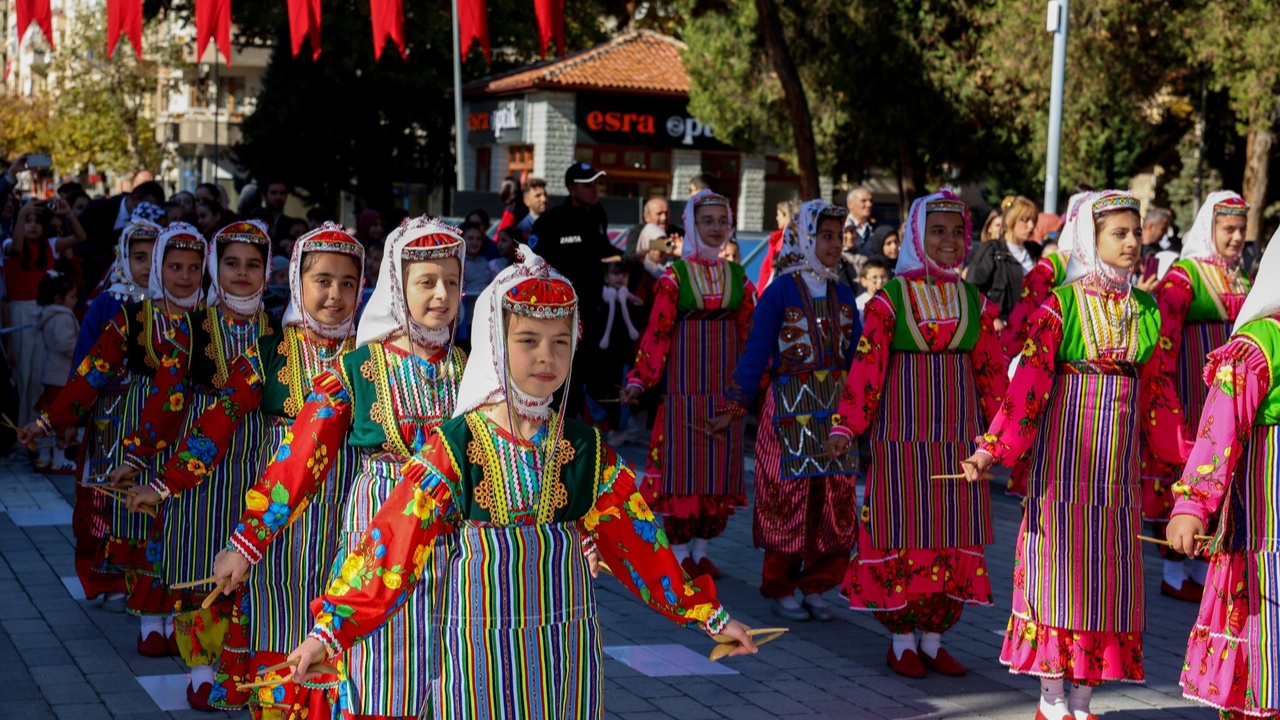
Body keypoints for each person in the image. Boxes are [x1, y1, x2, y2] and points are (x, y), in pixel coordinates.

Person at [285, 246, 758, 718]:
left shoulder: (585, 448)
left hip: (563, 652)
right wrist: (328, 633)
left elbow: (641, 545)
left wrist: (709, 617)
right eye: (528, 340)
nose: (546, 357)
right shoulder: (455, 444)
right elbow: (391, 543)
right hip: (475, 655)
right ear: (494, 342)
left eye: (560, 340)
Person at [208, 217, 467, 720]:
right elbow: (300, 457)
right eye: (426, 282)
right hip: (372, 538)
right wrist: (246, 542)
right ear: (397, 286)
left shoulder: (471, 370)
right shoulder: (357, 369)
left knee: (443, 664)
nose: (441, 295)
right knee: (376, 663)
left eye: (452, 282)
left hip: (451, 548)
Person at [960, 190, 1189, 720]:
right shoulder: (1059, 308)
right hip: (1061, 478)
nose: (1133, 243)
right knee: (1057, 582)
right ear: (1092, 238)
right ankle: (1051, 700)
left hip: (1117, 486)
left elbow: (1158, 399)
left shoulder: (1147, 312)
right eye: (1120, 234)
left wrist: (1192, 468)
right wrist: (991, 451)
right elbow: (1028, 392)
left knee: (1107, 586)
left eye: (1135, 233)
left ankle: (1083, 704)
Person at [123, 224, 363, 716]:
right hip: (278, 525)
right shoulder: (270, 352)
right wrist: (165, 484)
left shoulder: (370, 361)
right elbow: (220, 418)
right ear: (297, 281)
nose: (334, 295)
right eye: (322, 280)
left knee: (340, 625)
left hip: (349, 516)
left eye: (347, 282)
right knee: (277, 615)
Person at [825, 189, 1007, 679]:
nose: (949, 241)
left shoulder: (974, 302)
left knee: (950, 535)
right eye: (937, 231)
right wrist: (847, 425)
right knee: (904, 535)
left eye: (956, 232)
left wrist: (1004, 438)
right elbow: (867, 369)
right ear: (916, 236)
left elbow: (992, 376)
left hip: (959, 445)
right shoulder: (890, 301)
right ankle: (902, 642)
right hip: (901, 445)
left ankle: (933, 639)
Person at [19, 222, 208, 655]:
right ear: (158, 268)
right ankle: (150, 617)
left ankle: (181, 614)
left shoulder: (210, 322)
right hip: (136, 433)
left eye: (193, 268)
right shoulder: (132, 319)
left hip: (190, 435)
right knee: (141, 522)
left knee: (184, 523)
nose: (182, 276)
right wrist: (48, 422)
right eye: (173, 265)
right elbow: (91, 375)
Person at [114, 220, 274, 710]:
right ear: (215, 267)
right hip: (197, 457)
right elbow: (165, 398)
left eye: (253, 265)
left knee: (251, 564)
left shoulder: (280, 331)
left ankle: (236, 665)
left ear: (268, 270)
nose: (242, 274)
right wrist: (138, 455)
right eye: (231, 263)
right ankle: (202, 668)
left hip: (262, 457)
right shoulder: (190, 329)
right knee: (194, 558)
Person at [710, 200, 861, 621]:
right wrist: (733, 406)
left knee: (834, 499)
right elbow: (756, 353)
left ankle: (817, 586)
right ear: (805, 238)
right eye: (826, 236)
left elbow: (860, 360)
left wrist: (863, 413)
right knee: (788, 498)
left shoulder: (843, 294)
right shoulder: (779, 292)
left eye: (838, 236)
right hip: (788, 410)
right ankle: (782, 587)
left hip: (832, 412)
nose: (835, 245)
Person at [1165, 226, 1280, 720]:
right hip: (1266, 532)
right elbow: (1219, 430)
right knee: (1262, 654)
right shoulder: (1261, 344)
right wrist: (1192, 506)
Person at [620, 189, 756, 578]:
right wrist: (639, 380)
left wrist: (753, 384)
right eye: (707, 221)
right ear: (692, 226)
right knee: (684, 472)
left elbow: (750, 333)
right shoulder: (674, 279)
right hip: (683, 397)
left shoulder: (738, 277)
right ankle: (679, 556)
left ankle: (701, 551)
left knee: (718, 471)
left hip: (725, 394)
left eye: (722, 221)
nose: (716, 228)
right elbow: (657, 334)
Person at [1141, 190, 1252, 602]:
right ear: (1210, 228)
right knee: (1187, 479)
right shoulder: (1184, 277)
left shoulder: (1242, 277)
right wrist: (1170, 406)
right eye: (1228, 228)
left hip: (1230, 398)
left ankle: (1203, 572)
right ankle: (1173, 572)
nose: (1237, 236)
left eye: (1241, 228)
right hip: (1192, 395)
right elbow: (1163, 346)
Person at [530, 162, 619, 419]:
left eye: (596, 184)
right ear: (571, 189)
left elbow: (605, 251)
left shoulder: (598, 214)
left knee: (583, 379)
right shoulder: (551, 221)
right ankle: (546, 434)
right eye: (587, 185)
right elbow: (533, 266)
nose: (594, 190)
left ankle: (576, 439)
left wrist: (633, 257)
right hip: (558, 314)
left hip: (592, 313)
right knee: (556, 379)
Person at [6, 196, 86, 427]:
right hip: (20, 313)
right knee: (23, 374)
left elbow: (81, 237)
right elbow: (18, 246)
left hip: (46, 314)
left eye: (36, 220)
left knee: (41, 373)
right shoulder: (8, 246)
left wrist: (68, 213)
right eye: (27, 220)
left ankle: (38, 430)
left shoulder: (50, 245)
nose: (32, 225)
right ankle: (21, 429)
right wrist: (21, 213)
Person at [965, 195, 1039, 324]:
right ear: (1010, 220)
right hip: (1001, 332)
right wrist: (991, 318)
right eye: (1025, 220)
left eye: (1033, 220)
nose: (1031, 226)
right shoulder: (992, 250)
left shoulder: (1036, 251)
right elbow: (971, 291)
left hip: (1031, 330)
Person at [34, 271, 80, 472]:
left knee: (48, 418)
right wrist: (80, 348)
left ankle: (43, 457)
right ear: (58, 299)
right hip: (60, 375)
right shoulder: (63, 317)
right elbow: (65, 343)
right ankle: (59, 458)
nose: (76, 300)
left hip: (50, 374)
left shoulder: (48, 315)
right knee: (61, 418)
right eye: (72, 296)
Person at [78, 181, 165, 287]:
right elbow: (78, 239)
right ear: (134, 199)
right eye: (149, 205)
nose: (151, 210)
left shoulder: (152, 221)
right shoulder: (98, 207)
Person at [460, 221, 496, 345]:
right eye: (470, 238)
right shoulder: (457, 262)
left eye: (478, 239)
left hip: (487, 320)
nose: (475, 242)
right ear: (461, 239)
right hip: (465, 323)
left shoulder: (484, 261)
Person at [757, 199, 800, 291]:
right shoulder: (779, 238)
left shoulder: (789, 240)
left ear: (786, 215)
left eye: (778, 214)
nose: (776, 218)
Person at [844, 187, 876, 256]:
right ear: (850, 204)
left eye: (871, 201)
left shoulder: (876, 229)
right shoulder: (841, 227)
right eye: (863, 201)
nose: (869, 204)